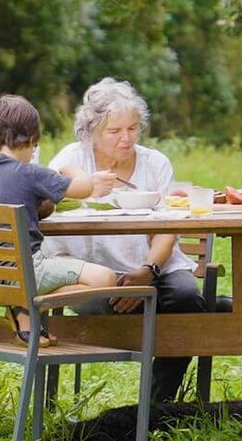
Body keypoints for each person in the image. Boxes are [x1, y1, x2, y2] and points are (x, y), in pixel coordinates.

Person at [44, 78, 207, 402]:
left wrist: (147, 272)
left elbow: (168, 227)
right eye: (114, 131)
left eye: (132, 128)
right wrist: (84, 188)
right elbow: (44, 207)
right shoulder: (71, 159)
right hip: (93, 274)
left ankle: (156, 405)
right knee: (155, 310)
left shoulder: (155, 163)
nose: (126, 138)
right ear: (91, 131)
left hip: (153, 269)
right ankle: (216, 309)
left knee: (187, 299)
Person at [0, 94, 119, 346]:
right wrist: (74, 170)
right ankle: (31, 306)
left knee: (67, 268)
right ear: (31, 137)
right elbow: (84, 188)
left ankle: (20, 307)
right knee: (105, 278)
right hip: (27, 271)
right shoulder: (29, 172)